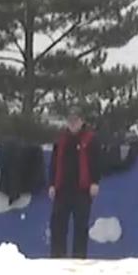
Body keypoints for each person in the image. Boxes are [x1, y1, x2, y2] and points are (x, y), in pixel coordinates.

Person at [48, 110, 101, 259]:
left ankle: (79, 258)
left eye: (75, 121)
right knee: (58, 225)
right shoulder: (61, 140)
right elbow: (54, 163)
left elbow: (97, 163)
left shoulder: (90, 139)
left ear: (82, 121)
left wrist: (95, 182)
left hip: (82, 190)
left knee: (80, 226)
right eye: (70, 121)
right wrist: (52, 184)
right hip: (62, 189)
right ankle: (57, 257)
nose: (72, 124)